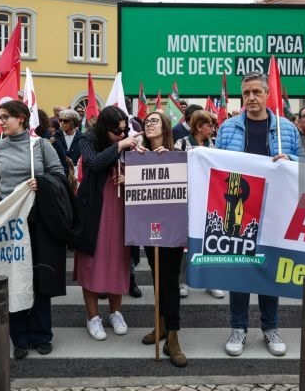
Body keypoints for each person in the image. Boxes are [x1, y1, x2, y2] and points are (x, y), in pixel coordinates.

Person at [215, 72, 305, 357]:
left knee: (270, 269)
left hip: (274, 208)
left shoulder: (286, 129)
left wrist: (289, 159)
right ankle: (238, 327)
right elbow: (216, 163)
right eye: (246, 93)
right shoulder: (228, 127)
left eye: (256, 92)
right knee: (239, 271)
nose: (251, 98)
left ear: (268, 94)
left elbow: (304, 161)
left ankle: (271, 327)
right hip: (237, 208)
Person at [0, 100, 64, 359]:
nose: (0, 121)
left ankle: (41, 334)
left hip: (37, 221)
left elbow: (59, 174)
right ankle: (20, 337)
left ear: (22, 119)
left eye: (5, 117)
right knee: (14, 278)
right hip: (9, 223)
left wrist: (43, 182)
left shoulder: (41, 145)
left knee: (38, 278)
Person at [72, 106, 137, 341]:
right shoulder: (87, 138)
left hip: (121, 207)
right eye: (116, 131)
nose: (121, 134)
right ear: (104, 128)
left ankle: (116, 312)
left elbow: (144, 168)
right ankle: (93, 316)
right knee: (92, 261)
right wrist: (119, 146)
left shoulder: (131, 139)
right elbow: (94, 163)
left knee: (118, 259)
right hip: (94, 209)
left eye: (124, 130)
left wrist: (130, 176)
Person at [136, 111, 187, 367]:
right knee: (157, 277)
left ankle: (174, 337)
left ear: (166, 127)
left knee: (170, 280)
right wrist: (127, 177)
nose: (149, 123)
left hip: (173, 226)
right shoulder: (137, 156)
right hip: (149, 225)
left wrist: (175, 160)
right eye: (147, 121)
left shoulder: (179, 152)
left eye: (154, 120)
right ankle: (161, 325)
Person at [173, 109, 226, 299]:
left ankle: (210, 281)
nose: (213, 129)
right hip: (187, 198)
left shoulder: (215, 145)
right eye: (209, 125)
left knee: (210, 240)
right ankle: (183, 281)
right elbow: (176, 169)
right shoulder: (181, 143)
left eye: (213, 125)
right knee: (185, 242)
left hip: (209, 198)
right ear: (198, 126)